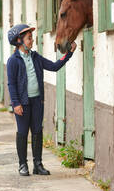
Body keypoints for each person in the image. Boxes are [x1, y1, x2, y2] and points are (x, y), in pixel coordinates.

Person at [7, 24, 76, 176]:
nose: (32, 41)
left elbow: (54, 66)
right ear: (19, 41)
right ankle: (22, 165)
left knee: (37, 131)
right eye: (29, 38)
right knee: (23, 132)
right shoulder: (13, 61)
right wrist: (16, 103)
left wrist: (69, 54)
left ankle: (37, 164)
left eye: (31, 38)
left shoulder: (35, 57)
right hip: (22, 104)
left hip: (37, 101)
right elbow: (11, 84)